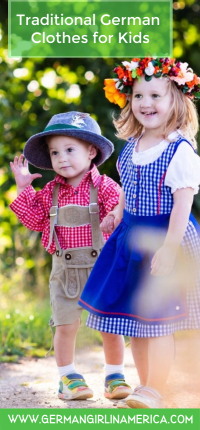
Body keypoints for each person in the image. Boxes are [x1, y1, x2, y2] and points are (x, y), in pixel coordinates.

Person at [78, 58, 200, 408]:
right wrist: (116, 213)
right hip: (130, 238)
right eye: (138, 95)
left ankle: (157, 388)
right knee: (139, 322)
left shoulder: (179, 151)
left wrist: (169, 247)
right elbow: (127, 190)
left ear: (176, 99)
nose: (146, 103)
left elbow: (183, 205)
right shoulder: (132, 145)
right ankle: (147, 386)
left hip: (163, 238)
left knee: (159, 319)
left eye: (156, 95)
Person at [10, 111, 132, 401]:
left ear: (91, 152)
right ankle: (68, 377)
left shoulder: (104, 187)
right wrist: (23, 188)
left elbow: (121, 207)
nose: (61, 158)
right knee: (65, 325)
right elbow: (34, 220)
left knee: (109, 324)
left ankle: (114, 375)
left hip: (101, 267)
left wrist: (114, 216)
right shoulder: (50, 191)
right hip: (64, 271)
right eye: (55, 152)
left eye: (69, 150)